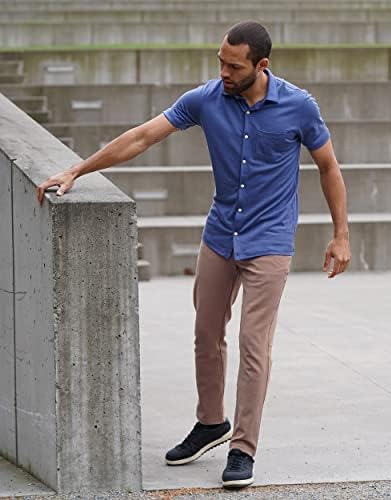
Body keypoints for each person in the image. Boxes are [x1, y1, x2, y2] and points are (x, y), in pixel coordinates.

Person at [37, 21, 351, 489]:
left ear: (262, 65)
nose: (223, 72)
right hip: (221, 234)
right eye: (220, 62)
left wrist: (341, 234)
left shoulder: (298, 106)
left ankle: (243, 448)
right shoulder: (206, 98)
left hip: (269, 241)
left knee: (253, 345)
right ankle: (210, 422)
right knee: (206, 334)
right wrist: (78, 170)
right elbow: (143, 136)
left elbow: (328, 166)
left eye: (234, 66)